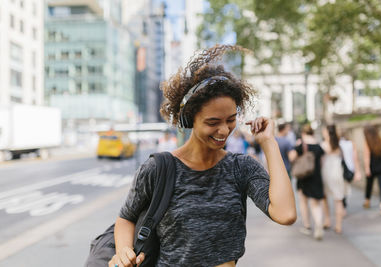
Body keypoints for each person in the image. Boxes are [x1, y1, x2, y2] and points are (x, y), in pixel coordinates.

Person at [107, 45, 296, 267]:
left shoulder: (241, 168)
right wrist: (123, 251)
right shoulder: (158, 169)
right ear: (189, 120)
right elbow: (126, 218)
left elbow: (285, 214)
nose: (224, 130)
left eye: (230, 119)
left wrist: (268, 142)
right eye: (212, 122)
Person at [290, 124, 325, 240]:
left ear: (303, 133)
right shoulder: (318, 146)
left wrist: (296, 147)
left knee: (303, 201)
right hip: (316, 176)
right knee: (316, 204)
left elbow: (292, 158)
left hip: (304, 176)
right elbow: (322, 163)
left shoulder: (301, 144)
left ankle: (307, 226)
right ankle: (319, 224)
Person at [320, 124, 346, 234]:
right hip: (338, 172)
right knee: (338, 199)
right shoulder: (338, 144)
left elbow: (320, 161)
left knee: (325, 197)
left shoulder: (324, 145)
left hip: (326, 172)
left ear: (327, 132)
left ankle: (327, 220)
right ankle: (338, 225)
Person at [363, 125, 381, 215]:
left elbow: (366, 156)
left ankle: (367, 201)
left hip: (372, 167)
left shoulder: (367, 142)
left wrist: (367, 169)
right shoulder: (380, 140)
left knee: (369, 185)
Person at [339, 128, 362, 214]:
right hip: (350, 168)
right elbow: (355, 158)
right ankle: (343, 205)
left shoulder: (338, 144)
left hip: (341, 169)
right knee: (345, 188)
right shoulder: (351, 144)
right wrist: (357, 171)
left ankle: (342, 206)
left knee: (341, 188)